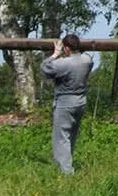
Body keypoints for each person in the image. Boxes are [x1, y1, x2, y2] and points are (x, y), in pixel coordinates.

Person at [40, 34, 94, 175]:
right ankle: (66, 165)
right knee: (71, 136)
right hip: (81, 102)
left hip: (65, 103)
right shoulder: (87, 61)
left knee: (61, 138)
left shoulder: (63, 63)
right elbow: (88, 56)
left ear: (67, 48)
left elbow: (45, 69)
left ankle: (66, 172)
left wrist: (55, 54)